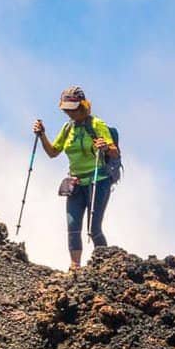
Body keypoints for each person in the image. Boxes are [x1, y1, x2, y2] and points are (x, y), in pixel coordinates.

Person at [34, 85, 120, 269]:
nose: (69, 113)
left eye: (72, 109)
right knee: (73, 227)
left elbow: (114, 151)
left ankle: (105, 266)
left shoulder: (97, 124)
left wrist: (105, 146)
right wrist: (42, 135)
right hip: (76, 182)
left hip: (98, 180)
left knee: (93, 228)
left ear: (83, 105)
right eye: (66, 109)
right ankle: (75, 267)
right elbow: (53, 152)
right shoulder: (68, 128)